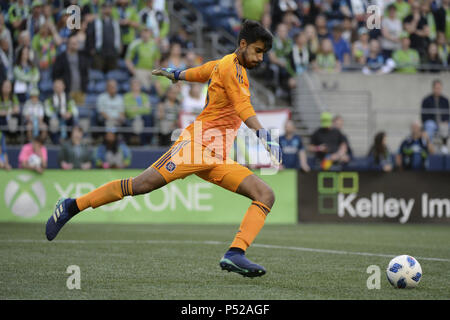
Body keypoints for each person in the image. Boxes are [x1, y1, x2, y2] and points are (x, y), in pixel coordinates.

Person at [46, 20, 281, 278]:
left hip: (217, 156)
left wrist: (177, 74)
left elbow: (202, 72)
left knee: (265, 194)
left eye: (263, 53)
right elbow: (243, 108)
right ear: (243, 44)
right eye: (258, 51)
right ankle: (71, 206)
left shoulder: (223, 65)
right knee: (140, 185)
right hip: (194, 147)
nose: (260, 57)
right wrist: (265, 137)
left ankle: (235, 253)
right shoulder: (230, 69)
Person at [52, 35, 90, 105]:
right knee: (68, 111)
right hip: (67, 91)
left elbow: (85, 73)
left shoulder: (82, 57)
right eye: (73, 43)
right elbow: (56, 74)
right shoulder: (61, 58)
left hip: (80, 91)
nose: (75, 45)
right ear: (68, 44)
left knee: (80, 112)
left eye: (76, 43)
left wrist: (85, 86)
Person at [44, 79, 79, 144]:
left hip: (67, 119)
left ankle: (71, 141)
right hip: (55, 118)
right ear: (53, 88)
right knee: (53, 121)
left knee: (75, 120)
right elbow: (48, 111)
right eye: (56, 87)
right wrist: (59, 113)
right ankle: (56, 141)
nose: (58, 88)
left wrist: (69, 113)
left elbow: (74, 109)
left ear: (64, 87)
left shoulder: (69, 98)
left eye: (60, 86)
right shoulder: (49, 98)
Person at [421, 79, 449, 153]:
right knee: (430, 125)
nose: (438, 90)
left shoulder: (445, 100)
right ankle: (426, 146)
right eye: (436, 88)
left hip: (442, 123)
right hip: (432, 122)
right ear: (433, 88)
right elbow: (424, 115)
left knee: (445, 125)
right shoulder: (426, 100)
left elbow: (447, 114)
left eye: (439, 88)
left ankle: (444, 145)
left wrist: (445, 121)